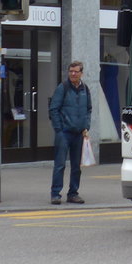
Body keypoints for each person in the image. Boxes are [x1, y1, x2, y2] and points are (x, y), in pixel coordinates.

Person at [49, 61, 92, 205]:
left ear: (81, 73)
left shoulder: (85, 89)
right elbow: (53, 109)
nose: (73, 74)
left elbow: (88, 109)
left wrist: (86, 126)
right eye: (71, 71)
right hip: (64, 133)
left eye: (76, 71)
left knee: (76, 166)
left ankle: (73, 193)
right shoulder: (63, 88)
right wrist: (58, 129)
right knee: (60, 164)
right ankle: (55, 194)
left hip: (79, 133)